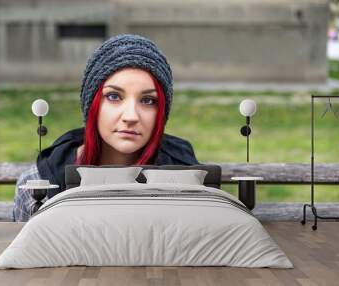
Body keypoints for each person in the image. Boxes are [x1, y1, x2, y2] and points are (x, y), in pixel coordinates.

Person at [13, 34, 200, 222]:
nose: (131, 116)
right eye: (114, 96)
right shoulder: (43, 183)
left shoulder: (186, 176)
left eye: (148, 100)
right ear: (91, 104)